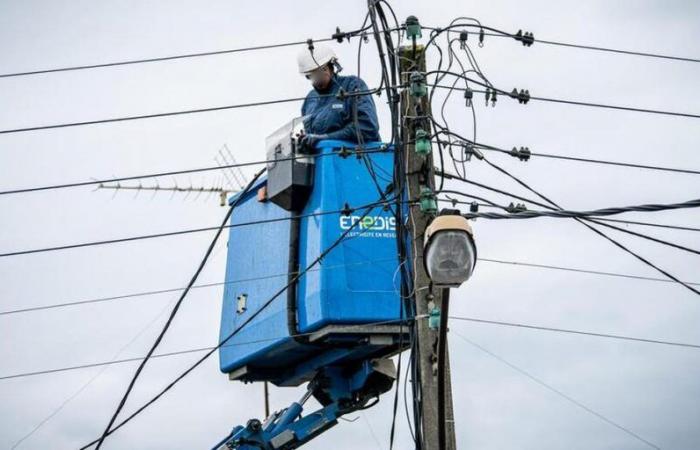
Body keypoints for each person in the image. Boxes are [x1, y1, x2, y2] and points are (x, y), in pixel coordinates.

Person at [297, 43, 381, 150]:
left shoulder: (352, 86)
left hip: (354, 160)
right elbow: (309, 136)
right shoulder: (310, 100)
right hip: (323, 163)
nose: (317, 79)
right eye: (311, 75)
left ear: (332, 67)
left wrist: (326, 138)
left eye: (321, 71)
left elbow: (368, 127)